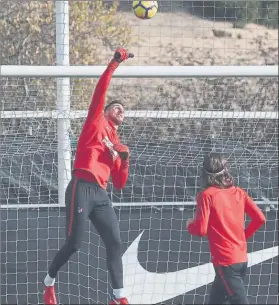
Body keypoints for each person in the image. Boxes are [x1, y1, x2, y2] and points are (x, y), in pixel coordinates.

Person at [43, 48, 134, 305]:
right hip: (82, 185)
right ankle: (48, 283)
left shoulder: (117, 145)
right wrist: (115, 63)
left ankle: (118, 298)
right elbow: (101, 91)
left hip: (101, 194)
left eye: (123, 110)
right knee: (74, 244)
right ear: (105, 111)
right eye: (116, 107)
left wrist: (124, 160)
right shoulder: (95, 122)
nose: (121, 110)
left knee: (115, 242)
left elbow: (119, 183)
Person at [187, 153, 266, 305]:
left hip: (226, 263)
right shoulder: (239, 192)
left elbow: (201, 230)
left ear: (205, 174)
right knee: (216, 300)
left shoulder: (206, 195)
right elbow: (260, 218)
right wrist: (243, 237)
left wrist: (190, 225)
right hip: (241, 259)